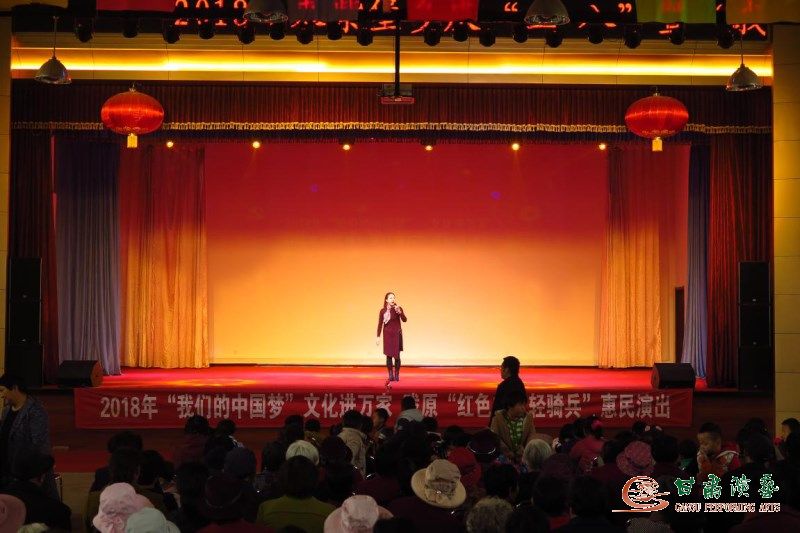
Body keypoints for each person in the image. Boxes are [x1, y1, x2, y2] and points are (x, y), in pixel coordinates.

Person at [0, 375, 51, 486]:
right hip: (6, 471)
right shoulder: (6, 410)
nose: (2, 395)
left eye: (2, 390)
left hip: (27, 474)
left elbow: (38, 446)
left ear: (15, 388)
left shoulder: (36, 411)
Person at [489, 390, 535, 464]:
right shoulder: (497, 419)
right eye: (520, 405)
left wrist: (525, 449)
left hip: (523, 458)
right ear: (510, 406)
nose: (524, 408)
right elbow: (495, 438)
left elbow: (532, 436)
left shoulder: (528, 419)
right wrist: (507, 452)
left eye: (524, 405)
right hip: (503, 459)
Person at [375, 292, 406, 387]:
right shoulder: (383, 311)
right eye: (390, 298)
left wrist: (400, 312)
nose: (393, 299)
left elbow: (404, 320)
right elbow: (380, 324)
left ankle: (397, 374)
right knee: (388, 356)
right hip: (387, 335)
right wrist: (378, 336)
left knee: (397, 356)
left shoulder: (398, 309)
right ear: (387, 300)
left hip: (396, 334)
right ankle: (390, 374)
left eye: (393, 298)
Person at [489, 356, 525, 422]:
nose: (500, 370)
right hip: (519, 424)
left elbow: (497, 409)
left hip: (504, 424)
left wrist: (491, 425)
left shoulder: (503, 386)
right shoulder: (521, 384)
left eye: (501, 368)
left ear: (507, 369)